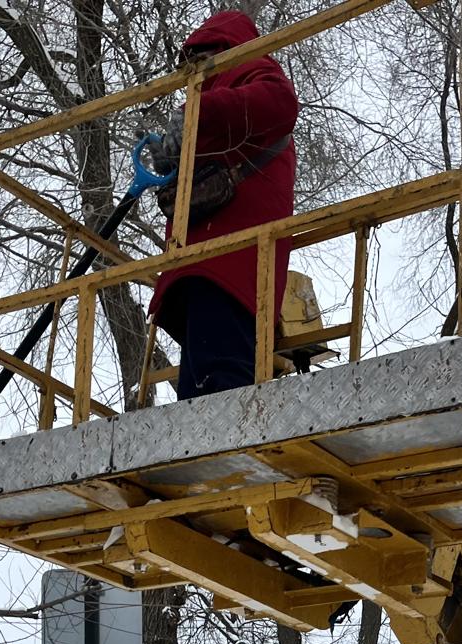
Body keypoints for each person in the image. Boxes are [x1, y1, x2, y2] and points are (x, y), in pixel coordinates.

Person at [147, 10, 298, 400]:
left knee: (221, 387)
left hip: (229, 262)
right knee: (200, 389)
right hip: (203, 263)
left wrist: (197, 114)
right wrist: (171, 156)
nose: (191, 72)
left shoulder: (251, 67)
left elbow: (281, 103)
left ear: (218, 48)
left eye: (199, 58)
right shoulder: (213, 90)